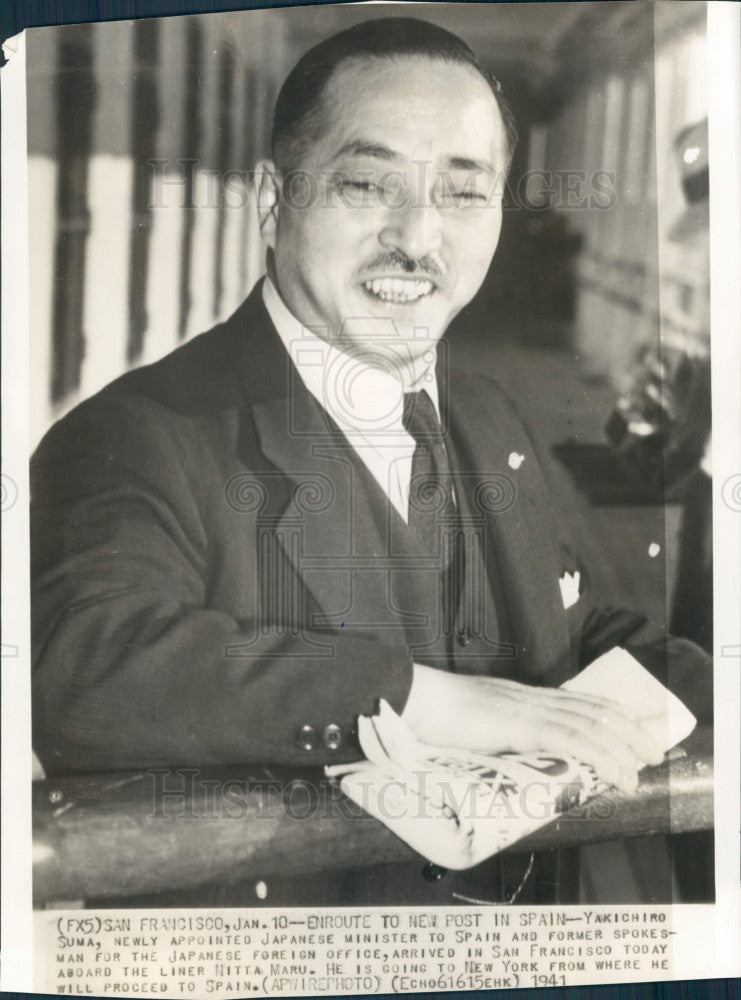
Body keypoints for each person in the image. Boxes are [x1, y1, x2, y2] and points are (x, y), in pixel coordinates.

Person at [31, 17, 712, 905]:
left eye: (464, 194)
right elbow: (78, 663)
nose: (418, 238)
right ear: (275, 202)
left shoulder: (483, 412)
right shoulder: (142, 433)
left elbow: (549, 628)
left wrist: (713, 681)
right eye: (365, 183)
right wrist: (433, 700)